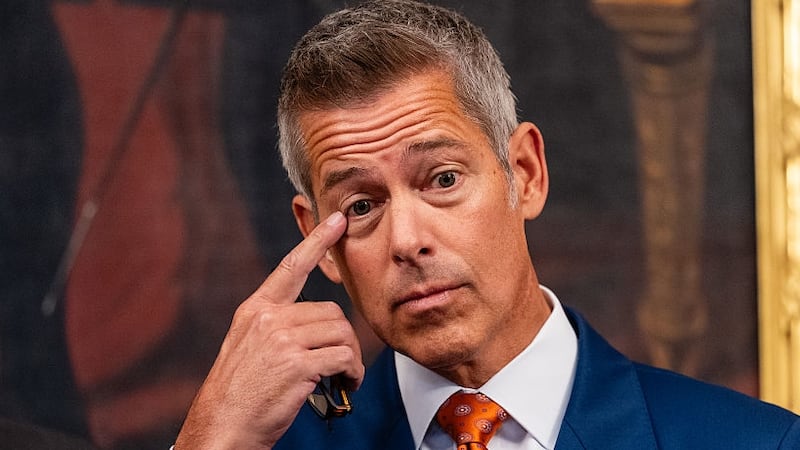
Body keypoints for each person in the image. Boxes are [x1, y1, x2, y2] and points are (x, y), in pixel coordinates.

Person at [174, 1, 800, 448]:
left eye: (442, 179)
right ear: (321, 244)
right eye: (361, 206)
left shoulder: (754, 441)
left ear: (524, 173)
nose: (408, 241)